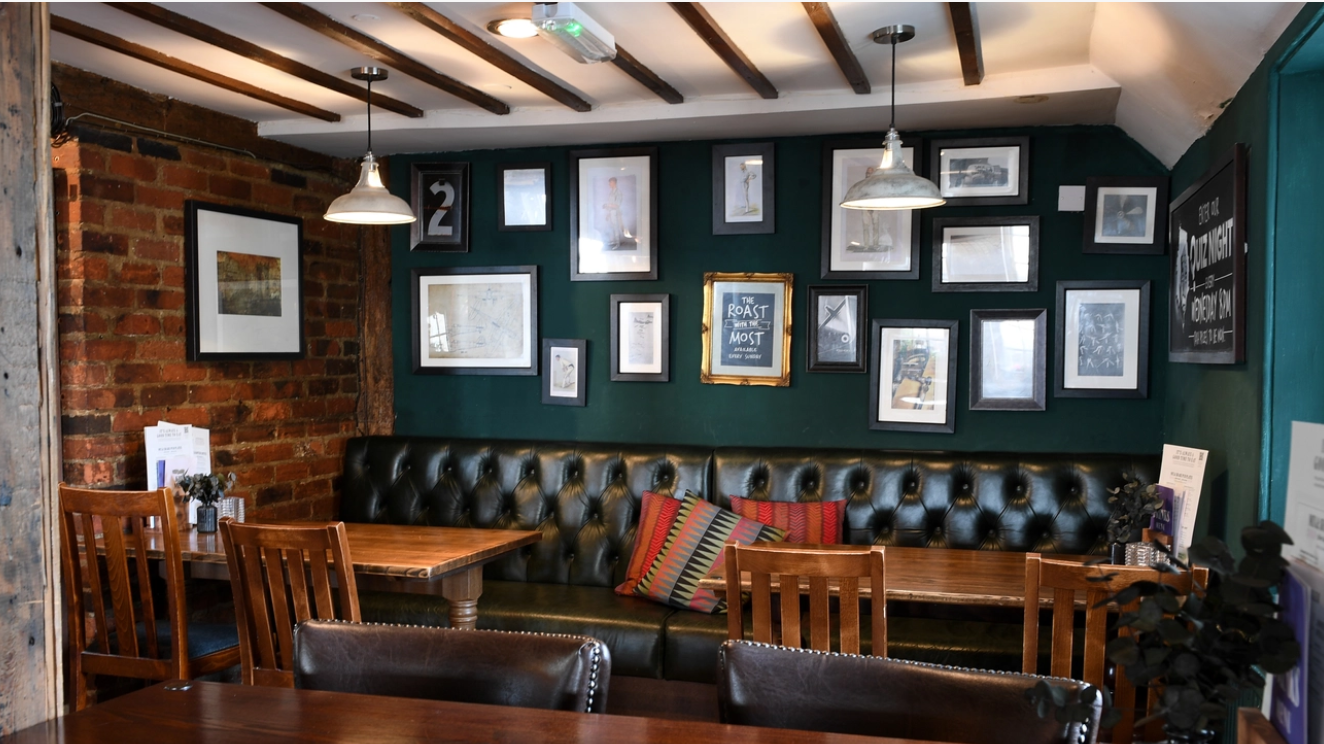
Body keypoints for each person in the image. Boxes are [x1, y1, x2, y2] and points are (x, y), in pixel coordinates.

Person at [601, 177, 623, 248]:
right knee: (611, 227)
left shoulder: (618, 192)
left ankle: (618, 243)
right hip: (611, 213)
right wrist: (608, 213)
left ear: (614, 182)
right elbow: (611, 204)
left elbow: (617, 205)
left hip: (615, 212)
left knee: (615, 228)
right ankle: (614, 241)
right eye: (609, 182)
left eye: (610, 182)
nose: (609, 184)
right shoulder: (611, 192)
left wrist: (607, 205)